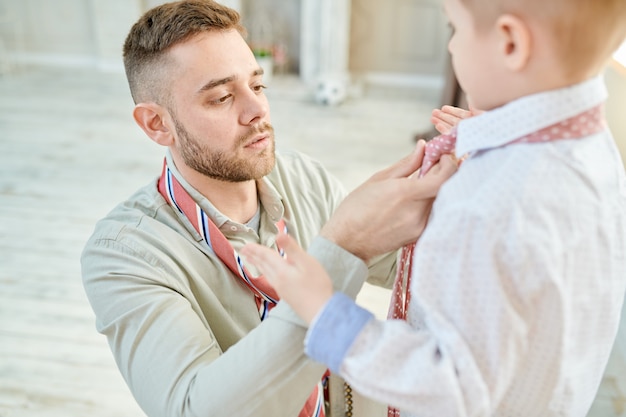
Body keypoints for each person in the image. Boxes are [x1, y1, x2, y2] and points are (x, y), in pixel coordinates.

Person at [240, 0, 626, 415]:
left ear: (510, 43)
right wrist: (499, 134)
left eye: (454, 29)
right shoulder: (598, 153)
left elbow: (452, 386)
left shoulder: (481, 202)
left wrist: (323, 310)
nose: (453, 46)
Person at [80, 1, 457, 417]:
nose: (256, 110)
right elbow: (193, 409)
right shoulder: (123, 255)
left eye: (257, 86)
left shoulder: (302, 177)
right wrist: (341, 250)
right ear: (157, 124)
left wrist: (492, 189)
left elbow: (421, 273)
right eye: (222, 97)